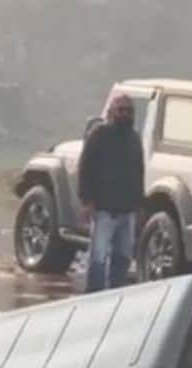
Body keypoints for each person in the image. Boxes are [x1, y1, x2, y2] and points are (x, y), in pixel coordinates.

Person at [78, 93, 144, 293]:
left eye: (129, 110)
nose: (125, 114)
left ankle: (115, 295)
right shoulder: (100, 135)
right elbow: (85, 167)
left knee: (123, 257)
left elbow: (139, 172)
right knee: (98, 258)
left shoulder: (134, 138)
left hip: (128, 211)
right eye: (121, 110)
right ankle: (93, 296)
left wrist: (140, 206)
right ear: (111, 112)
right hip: (104, 209)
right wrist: (87, 201)